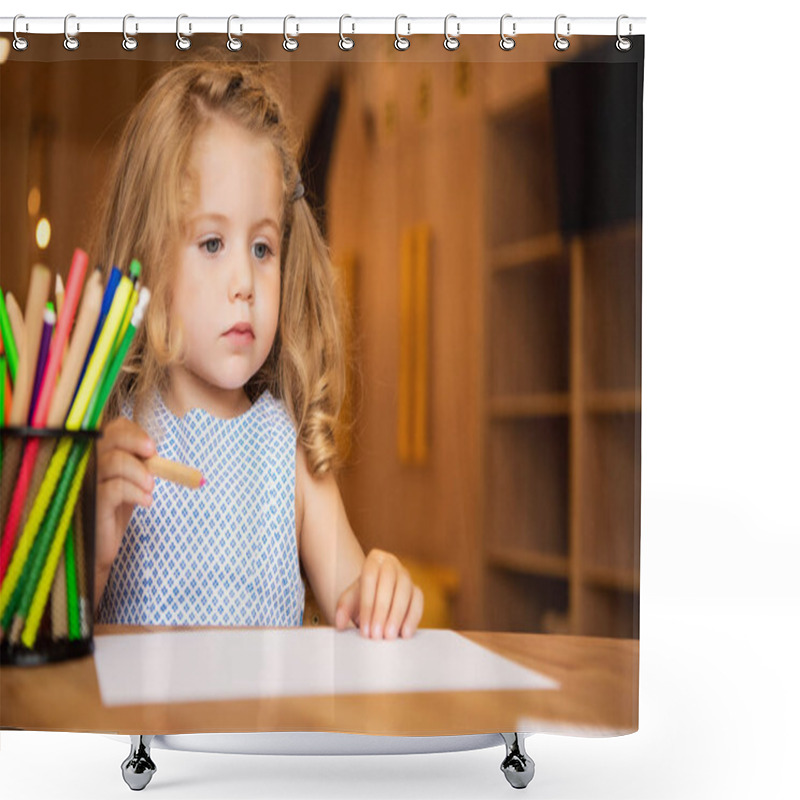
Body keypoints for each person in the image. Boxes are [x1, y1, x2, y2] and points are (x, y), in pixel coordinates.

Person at [91, 58, 423, 639]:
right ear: (147, 248)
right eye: (213, 241)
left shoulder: (286, 450)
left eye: (263, 248)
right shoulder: (112, 436)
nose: (244, 279)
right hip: (147, 733)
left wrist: (380, 588)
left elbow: (353, 605)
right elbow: (41, 634)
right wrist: (91, 549)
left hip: (266, 735)